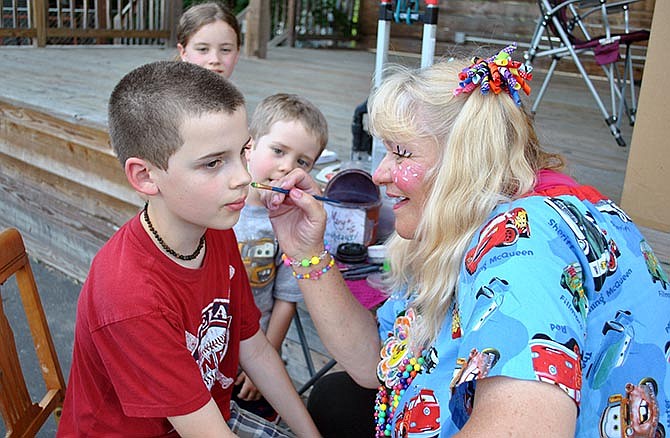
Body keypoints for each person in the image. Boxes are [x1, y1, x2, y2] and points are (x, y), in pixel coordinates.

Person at [261, 44, 669, 437]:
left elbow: (528, 429)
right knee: (338, 397)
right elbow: (375, 362)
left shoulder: (523, 243)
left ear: (466, 164)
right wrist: (306, 252)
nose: (381, 173)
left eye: (402, 154)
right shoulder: (459, 223)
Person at [57, 61, 320, 438]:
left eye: (242, 152)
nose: (243, 177)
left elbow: (255, 348)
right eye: (213, 163)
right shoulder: (130, 297)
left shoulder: (214, 228)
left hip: (208, 413)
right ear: (146, 177)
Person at [232, 93, 329, 421]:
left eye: (303, 162)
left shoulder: (292, 226)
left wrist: (266, 360)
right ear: (250, 146)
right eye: (278, 151)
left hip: (256, 356)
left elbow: (286, 299)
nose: (288, 166)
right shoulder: (218, 208)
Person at [177, 1, 241, 79]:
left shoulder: (232, 91)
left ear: (237, 54)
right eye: (203, 49)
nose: (215, 60)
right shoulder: (166, 90)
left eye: (225, 50)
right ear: (183, 52)